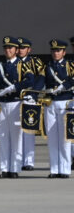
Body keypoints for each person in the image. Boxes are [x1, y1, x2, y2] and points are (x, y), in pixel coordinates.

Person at [0, 36, 36, 178]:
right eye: (6, 48)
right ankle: (4, 168)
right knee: (4, 137)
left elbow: (30, 80)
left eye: (10, 48)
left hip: (16, 103)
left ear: (16, 50)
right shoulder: (0, 65)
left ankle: (15, 168)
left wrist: (13, 87)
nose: (8, 50)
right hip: (2, 104)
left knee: (16, 137)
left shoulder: (22, 65)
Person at [43, 39, 74, 178]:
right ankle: (55, 169)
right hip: (51, 103)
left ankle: (65, 169)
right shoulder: (47, 67)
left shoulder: (70, 65)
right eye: (53, 50)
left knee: (64, 138)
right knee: (52, 137)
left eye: (58, 51)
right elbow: (40, 81)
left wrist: (63, 86)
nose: (55, 53)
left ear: (64, 52)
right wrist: (31, 92)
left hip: (65, 102)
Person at [16, 38, 45, 171]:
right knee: (16, 132)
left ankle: (29, 161)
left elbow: (40, 79)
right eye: (19, 48)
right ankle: (17, 160)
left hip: (29, 98)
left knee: (28, 131)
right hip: (15, 99)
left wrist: (33, 94)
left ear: (29, 49)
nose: (21, 50)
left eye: (23, 48)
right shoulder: (13, 62)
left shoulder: (35, 62)